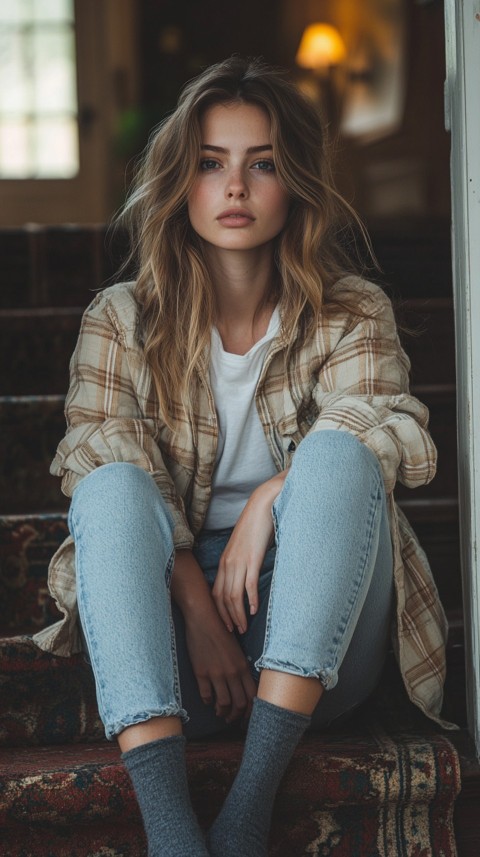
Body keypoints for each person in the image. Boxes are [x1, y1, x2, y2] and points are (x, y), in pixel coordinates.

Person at [33, 56, 451, 857]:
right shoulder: (120, 321)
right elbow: (97, 454)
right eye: (210, 164)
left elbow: (388, 433)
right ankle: (173, 837)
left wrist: (269, 500)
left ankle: (248, 811)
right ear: (179, 183)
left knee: (338, 457)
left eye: (261, 165)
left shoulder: (352, 310)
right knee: (111, 486)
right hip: (176, 654)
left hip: (321, 641)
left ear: (292, 182)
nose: (235, 188)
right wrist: (195, 603)